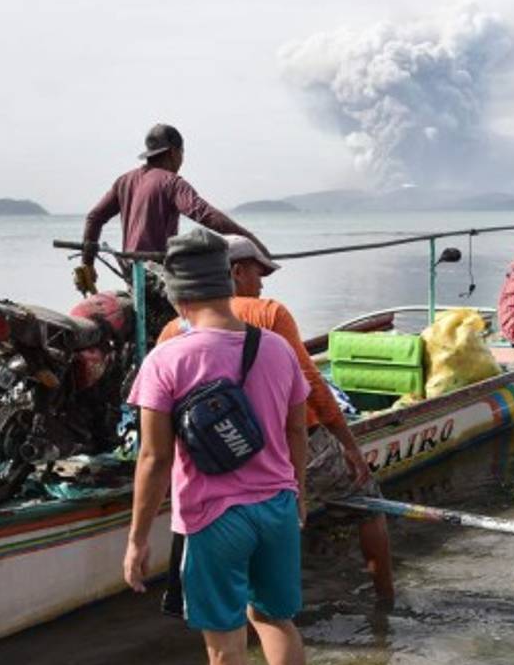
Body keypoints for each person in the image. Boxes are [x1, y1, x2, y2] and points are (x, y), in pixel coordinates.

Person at [124, 228, 311, 665]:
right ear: (231, 282)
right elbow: (298, 431)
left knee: (225, 647)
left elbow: (154, 459)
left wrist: (138, 539)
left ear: (178, 296)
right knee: (277, 619)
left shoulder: (166, 359)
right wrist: (301, 496)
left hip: (211, 519)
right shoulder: (278, 349)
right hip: (276, 507)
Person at [157, 235, 395, 608]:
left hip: (216, 463)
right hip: (289, 451)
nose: (263, 282)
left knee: (225, 607)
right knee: (368, 503)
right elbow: (312, 386)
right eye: (257, 272)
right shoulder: (270, 313)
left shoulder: (173, 331)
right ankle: (385, 601)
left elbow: (161, 417)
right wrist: (350, 446)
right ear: (234, 272)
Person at [76, 123, 267, 292]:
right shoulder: (171, 182)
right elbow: (204, 214)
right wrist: (249, 239)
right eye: (182, 153)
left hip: (130, 271)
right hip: (156, 273)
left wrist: (87, 264)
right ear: (174, 152)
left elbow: (94, 218)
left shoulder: (124, 181)